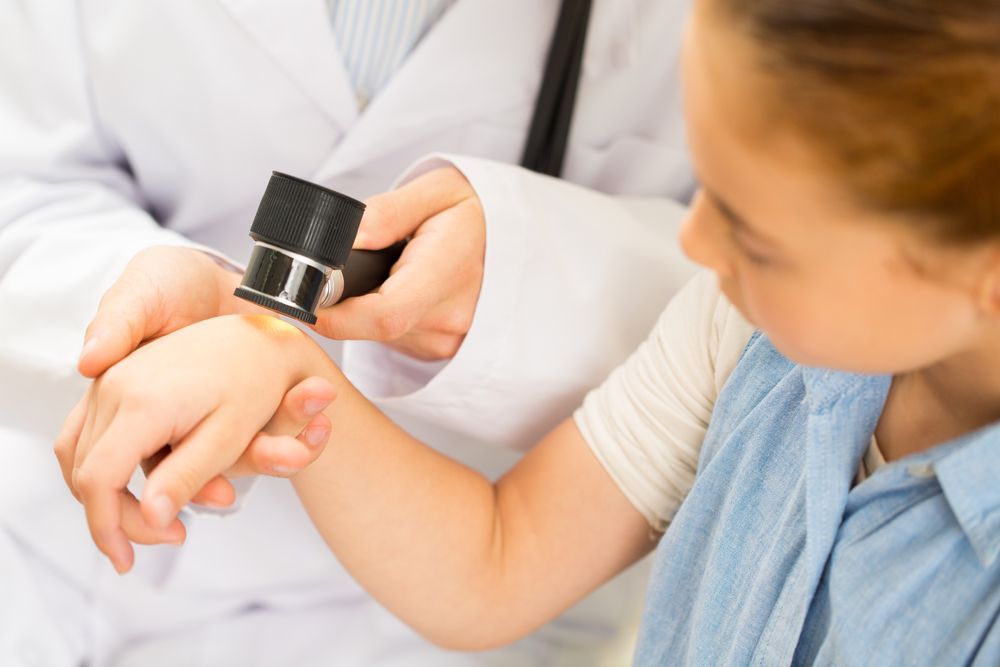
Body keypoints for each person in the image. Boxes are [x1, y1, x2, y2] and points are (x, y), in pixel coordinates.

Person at [58, 0, 1000, 663]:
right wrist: (268, 349)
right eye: (707, 188)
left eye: (754, 233)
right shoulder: (743, 330)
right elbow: (494, 558)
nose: (691, 240)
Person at [0, 1, 697, 665]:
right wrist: (165, 323)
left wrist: (526, 269)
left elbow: (746, 294)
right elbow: (23, 178)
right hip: (60, 563)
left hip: (447, 591)